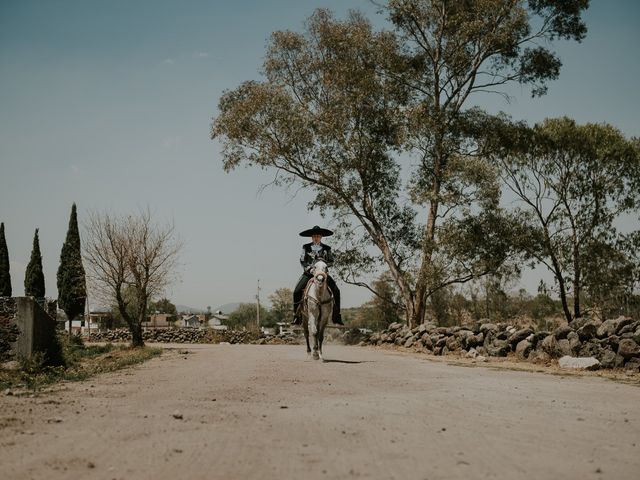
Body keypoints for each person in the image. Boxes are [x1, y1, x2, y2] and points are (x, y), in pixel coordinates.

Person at [292, 225, 343, 325]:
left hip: (322, 274)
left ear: (321, 237)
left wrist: (323, 266)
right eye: (314, 236)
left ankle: (337, 315)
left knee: (336, 290)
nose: (316, 237)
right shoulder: (306, 247)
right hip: (309, 274)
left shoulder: (327, 248)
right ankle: (296, 316)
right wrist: (309, 269)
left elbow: (331, 261)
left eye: (318, 236)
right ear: (311, 237)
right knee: (296, 291)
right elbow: (302, 260)